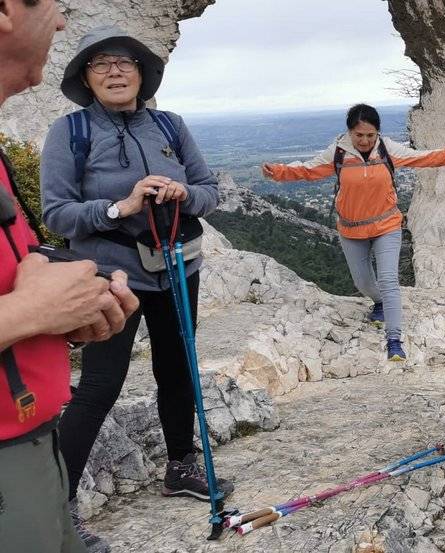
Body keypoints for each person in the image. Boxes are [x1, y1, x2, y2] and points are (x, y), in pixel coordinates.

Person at [39, 25, 225, 550]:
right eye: (101, 65)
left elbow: (209, 192)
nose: (115, 71)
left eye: (125, 62)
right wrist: (121, 205)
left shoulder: (170, 125)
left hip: (177, 266)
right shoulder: (70, 133)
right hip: (109, 275)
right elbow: (57, 213)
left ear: (143, 74)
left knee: (178, 368)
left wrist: (183, 192)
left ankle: (181, 466)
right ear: (86, 79)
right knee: (99, 385)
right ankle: (56, 506)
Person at [0, 5, 138, 553]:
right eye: (54, 5)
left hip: (33, 445)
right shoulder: (70, 133)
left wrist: (61, 316)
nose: (60, 23)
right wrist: (32, 313)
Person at [263, 104, 445, 362]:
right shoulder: (339, 152)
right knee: (362, 282)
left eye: (370, 135)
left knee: (388, 281)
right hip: (352, 229)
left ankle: (394, 340)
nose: (365, 141)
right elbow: (308, 170)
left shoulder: (387, 149)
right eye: (359, 135)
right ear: (349, 133)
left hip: (386, 225)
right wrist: (278, 172)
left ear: (377, 133)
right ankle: (378, 303)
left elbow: (425, 157)